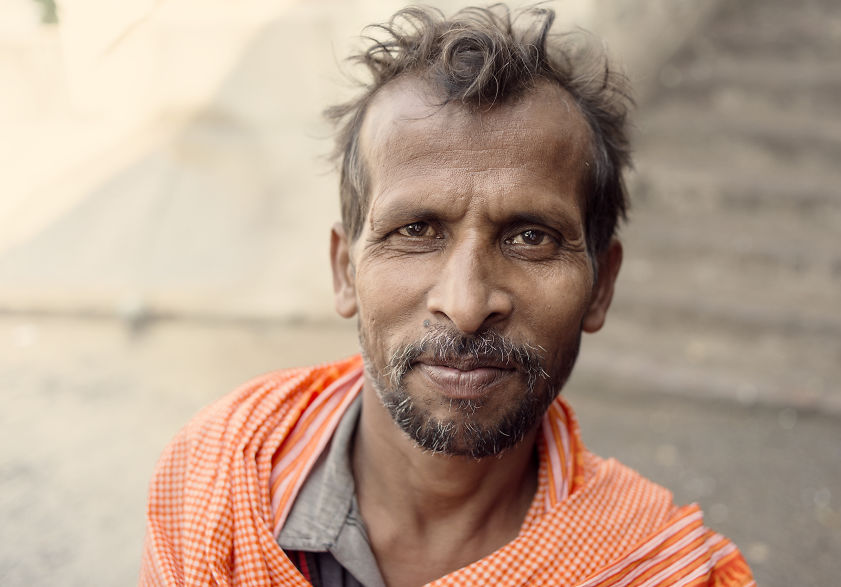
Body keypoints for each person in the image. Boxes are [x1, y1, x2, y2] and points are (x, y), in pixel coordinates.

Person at [140, 5, 754, 586]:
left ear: (602, 286)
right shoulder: (216, 480)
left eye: (531, 238)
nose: (464, 305)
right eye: (415, 231)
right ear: (343, 271)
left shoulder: (658, 568)